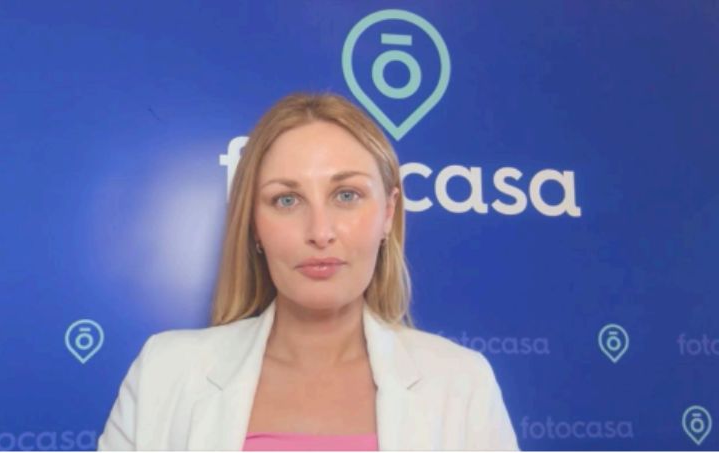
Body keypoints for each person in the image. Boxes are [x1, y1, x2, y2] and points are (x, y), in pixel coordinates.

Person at [97, 93, 519, 451]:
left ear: (388, 213)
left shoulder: (462, 383)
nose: (319, 232)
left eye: (346, 195)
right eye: (286, 200)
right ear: (253, 225)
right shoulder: (163, 372)